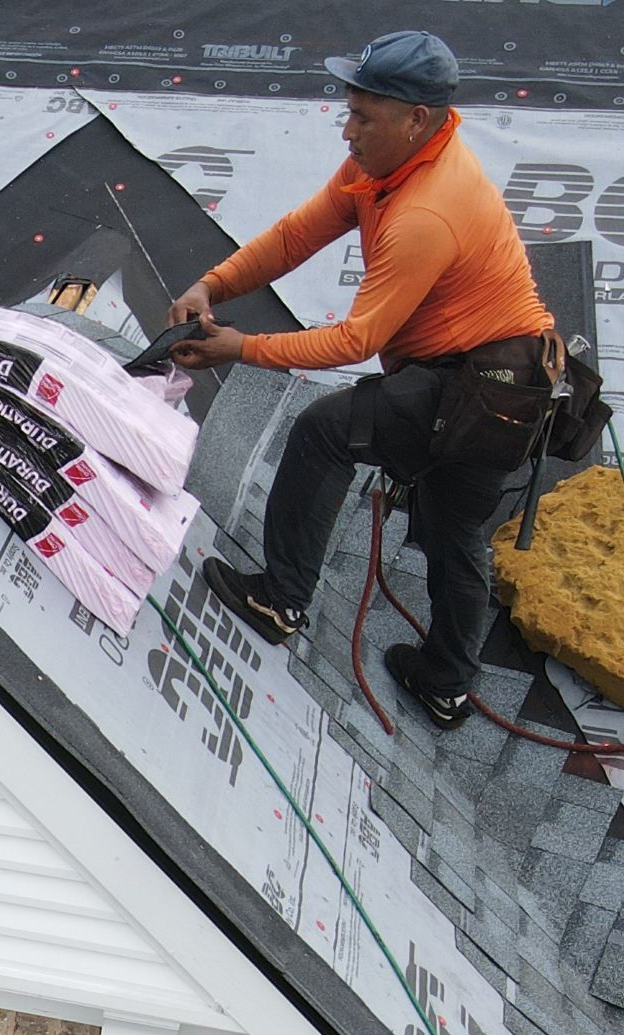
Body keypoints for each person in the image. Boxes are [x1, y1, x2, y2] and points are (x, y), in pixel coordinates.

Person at [166, 32, 556, 729]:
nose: (348, 132)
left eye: (364, 117)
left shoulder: (426, 213)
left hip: (482, 386)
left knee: (327, 432)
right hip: (501, 383)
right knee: (452, 527)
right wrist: (213, 282)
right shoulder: (384, 169)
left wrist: (241, 346)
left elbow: (357, 339)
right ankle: (447, 684)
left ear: (419, 120)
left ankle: (279, 599)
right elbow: (296, 237)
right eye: (348, 112)